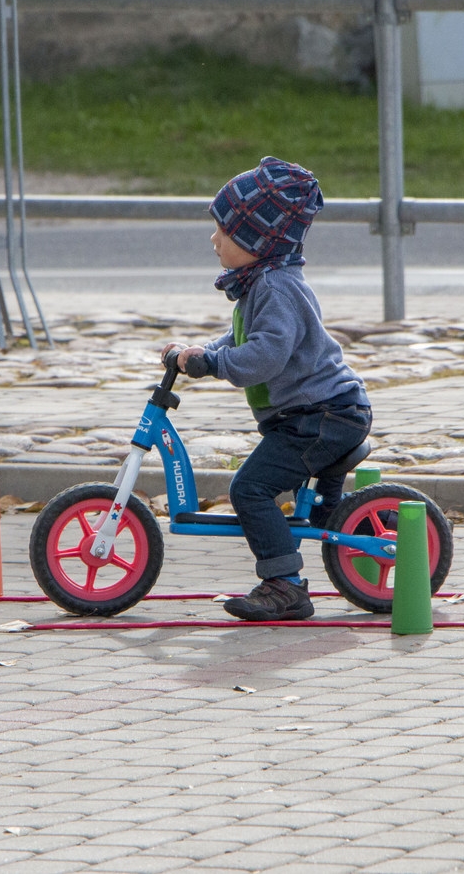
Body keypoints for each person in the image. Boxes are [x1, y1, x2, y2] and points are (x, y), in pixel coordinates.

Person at [163, 156, 371, 621]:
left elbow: (264, 356)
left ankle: (284, 585)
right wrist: (202, 350)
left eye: (225, 232)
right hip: (315, 415)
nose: (213, 240)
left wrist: (212, 363)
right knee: (320, 516)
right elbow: (244, 340)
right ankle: (340, 529)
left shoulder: (275, 287)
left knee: (251, 489)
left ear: (258, 240)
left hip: (322, 418)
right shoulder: (262, 282)